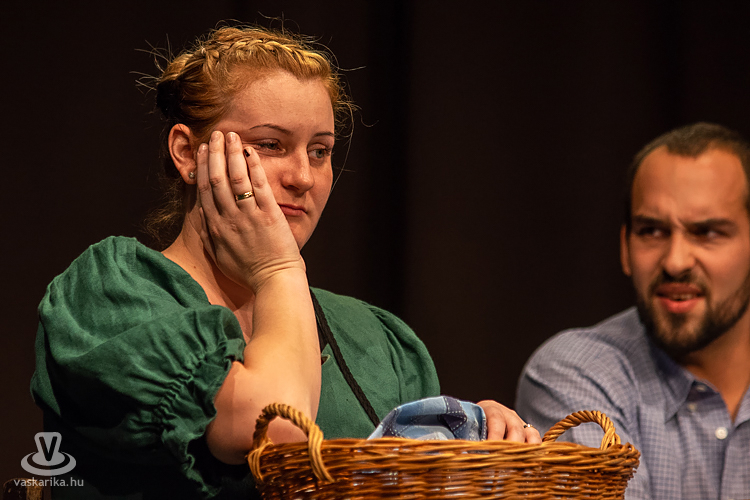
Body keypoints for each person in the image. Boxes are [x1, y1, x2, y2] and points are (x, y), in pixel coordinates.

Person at [31, 25, 540, 499]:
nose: (303, 177)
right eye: (271, 145)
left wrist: (472, 438)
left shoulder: (377, 342)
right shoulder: (112, 293)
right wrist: (277, 269)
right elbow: (276, 430)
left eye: (320, 151)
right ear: (187, 153)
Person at [516, 122, 750, 500]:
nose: (675, 262)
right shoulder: (576, 371)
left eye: (707, 232)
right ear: (625, 247)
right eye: (652, 231)